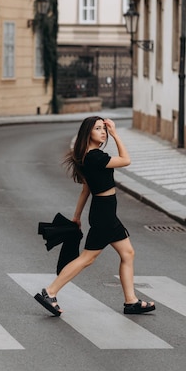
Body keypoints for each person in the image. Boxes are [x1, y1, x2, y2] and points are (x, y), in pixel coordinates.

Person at [34, 116, 155, 316]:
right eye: (98, 128)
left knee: (127, 253)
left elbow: (85, 190)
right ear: (88, 133)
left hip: (106, 213)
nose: (103, 132)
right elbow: (126, 160)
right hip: (104, 215)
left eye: (104, 129)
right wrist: (116, 134)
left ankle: (131, 301)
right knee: (87, 258)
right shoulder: (94, 157)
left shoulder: (88, 157)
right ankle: (50, 291)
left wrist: (77, 216)